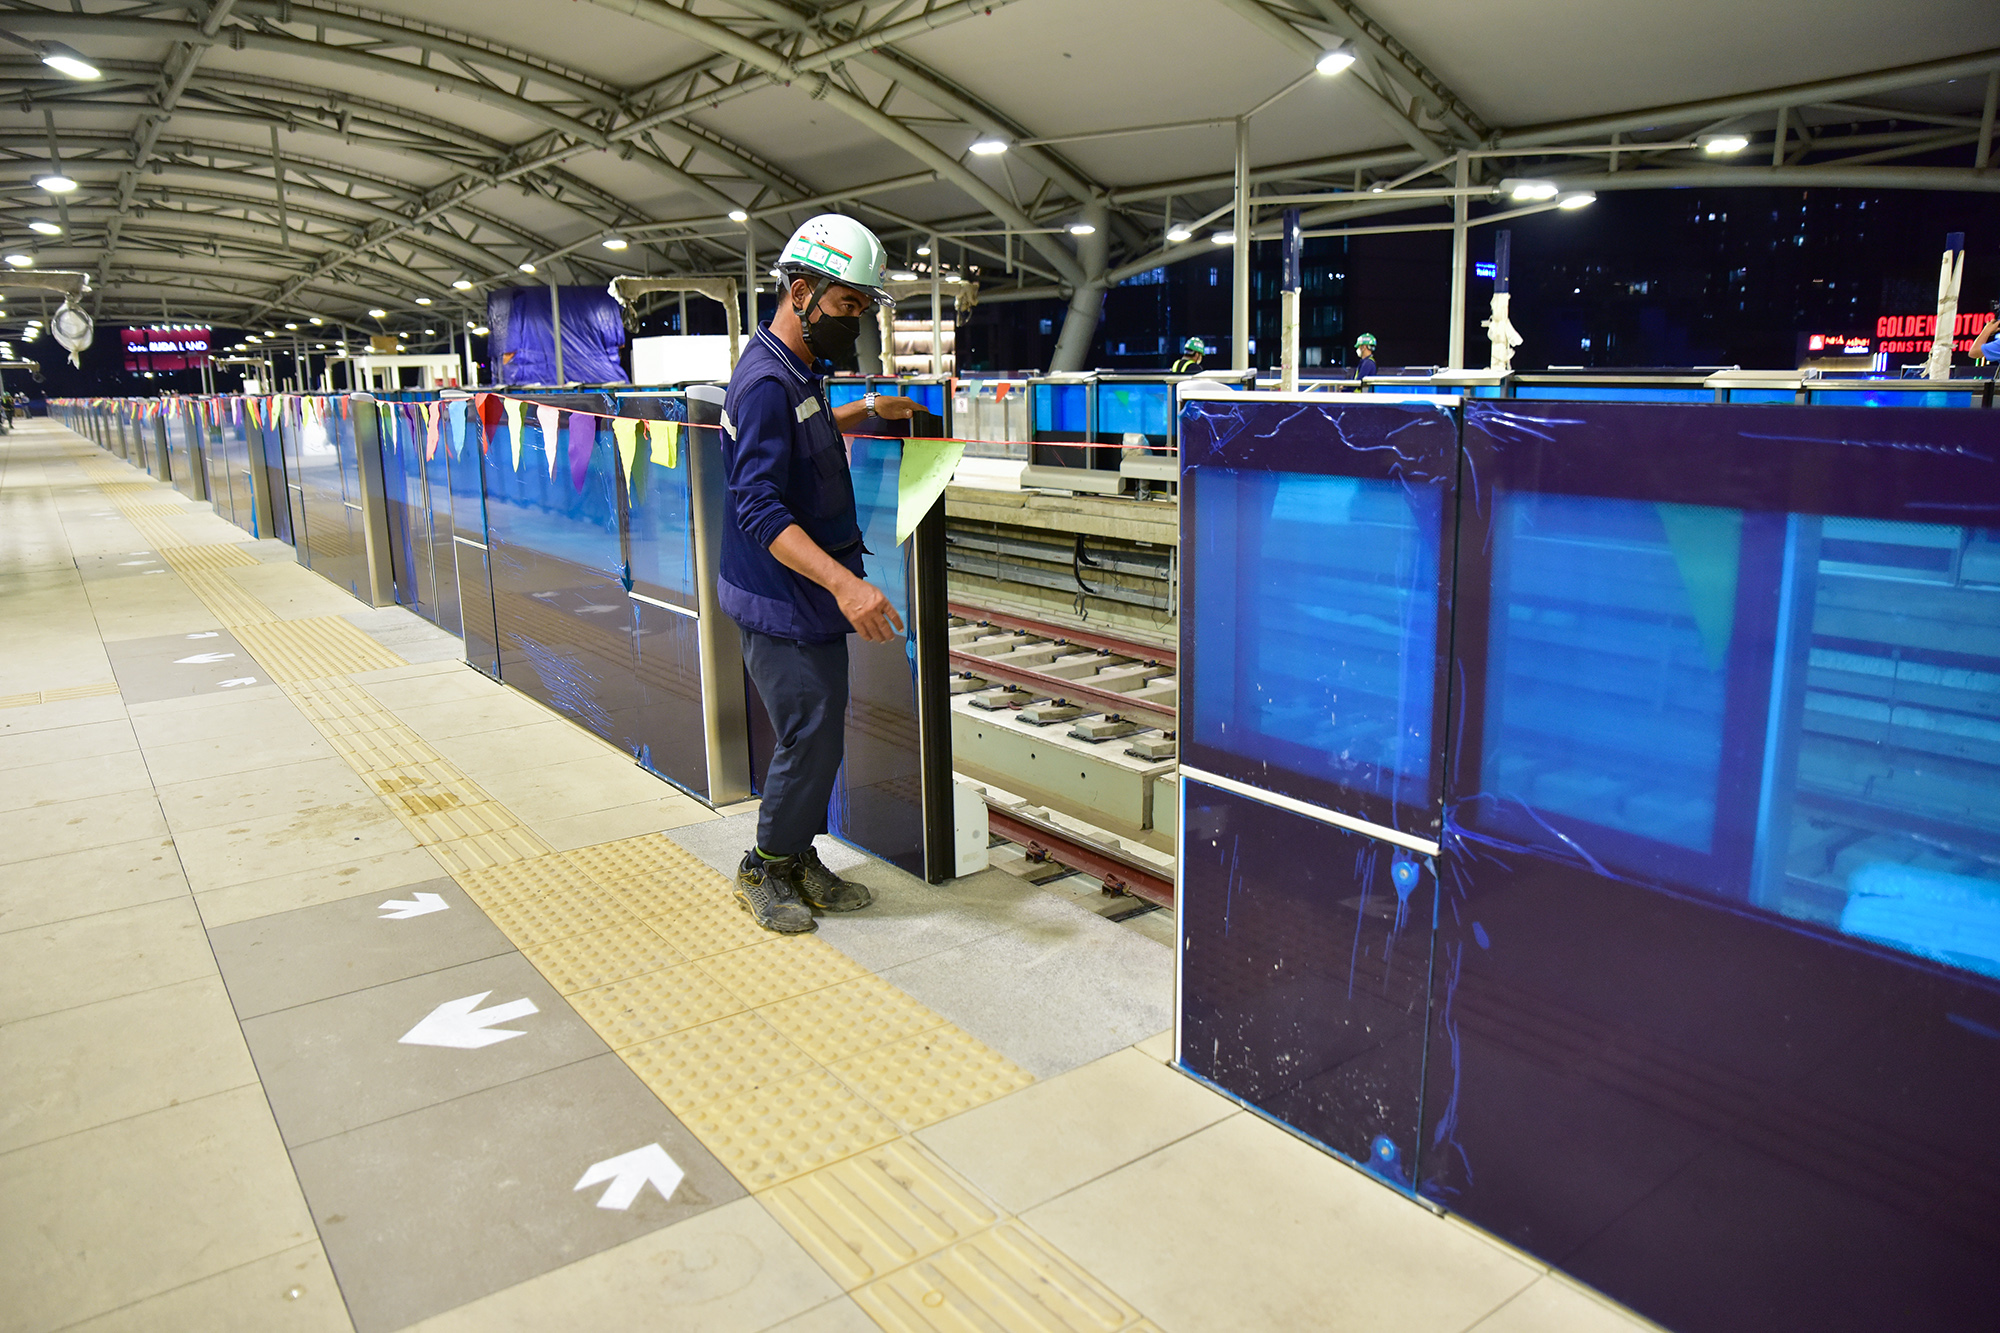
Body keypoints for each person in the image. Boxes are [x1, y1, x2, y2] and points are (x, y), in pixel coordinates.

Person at [719, 213, 920, 933]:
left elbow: (805, 428)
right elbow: (759, 509)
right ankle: (763, 866)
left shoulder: (796, 367)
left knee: (822, 731)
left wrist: (864, 407)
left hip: (806, 599)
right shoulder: (767, 381)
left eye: (863, 308)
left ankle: (795, 852)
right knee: (809, 734)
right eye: (846, 306)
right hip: (784, 599)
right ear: (801, 290)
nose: (855, 322)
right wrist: (846, 583)